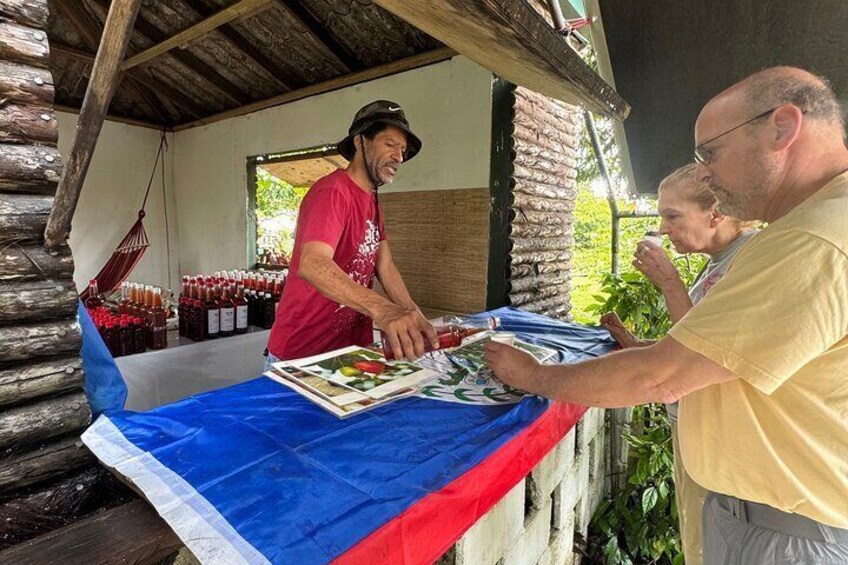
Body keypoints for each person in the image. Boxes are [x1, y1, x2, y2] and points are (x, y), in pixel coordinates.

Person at [485, 67, 848, 564]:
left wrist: (530, 373)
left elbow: (665, 375)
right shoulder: (814, 224)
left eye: (710, 153)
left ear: (782, 128)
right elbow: (708, 361)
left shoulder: (813, 238)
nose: (704, 172)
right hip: (775, 517)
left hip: (785, 530)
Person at [600, 162, 756, 565]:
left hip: (723, 435)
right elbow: (692, 338)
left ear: (715, 213)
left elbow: (708, 353)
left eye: (673, 215)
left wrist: (670, 283)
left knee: (709, 543)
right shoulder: (717, 260)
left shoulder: (748, 260)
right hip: (696, 424)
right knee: (695, 535)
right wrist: (640, 344)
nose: (664, 228)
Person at [266, 100, 438, 365]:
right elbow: (312, 264)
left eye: (402, 150)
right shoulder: (333, 192)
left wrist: (414, 315)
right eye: (390, 145)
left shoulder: (371, 200)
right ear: (360, 142)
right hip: (303, 354)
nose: (399, 157)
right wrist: (383, 310)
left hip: (349, 350)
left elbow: (386, 265)